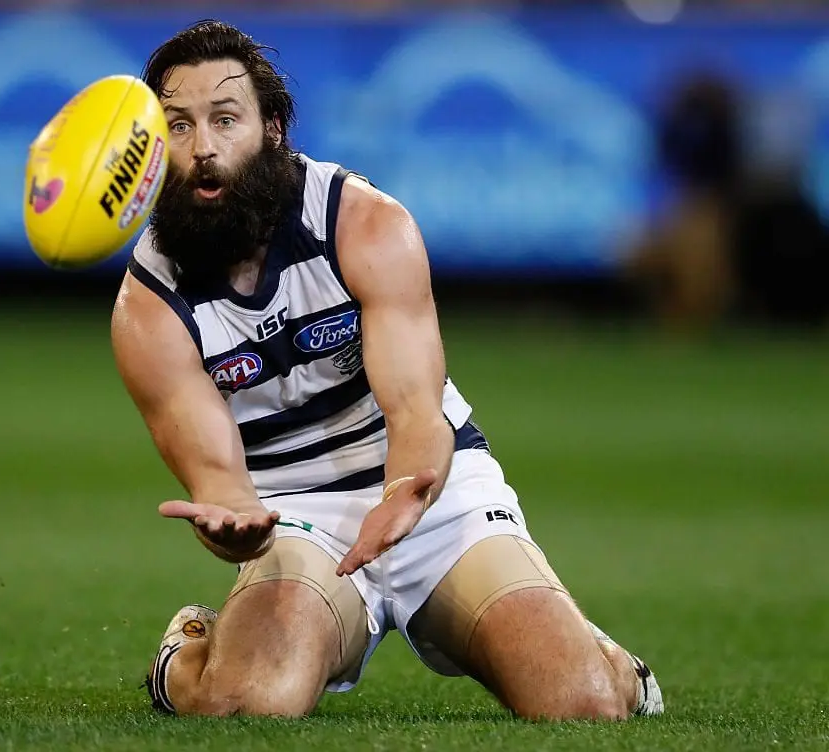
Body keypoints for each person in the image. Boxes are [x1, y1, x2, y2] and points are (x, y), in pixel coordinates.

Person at [111, 19, 664, 720]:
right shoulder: (148, 307)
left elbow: (415, 412)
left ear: (273, 128)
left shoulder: (364, 224)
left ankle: (596, 657)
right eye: (179, 127)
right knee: (248, 703)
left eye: (226, 119)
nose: (205, 148)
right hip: (295, 512)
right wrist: (235, 526)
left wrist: (406, 490)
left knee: (580, 702)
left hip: (431, 487)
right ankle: (187, 655)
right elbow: (218, 477)